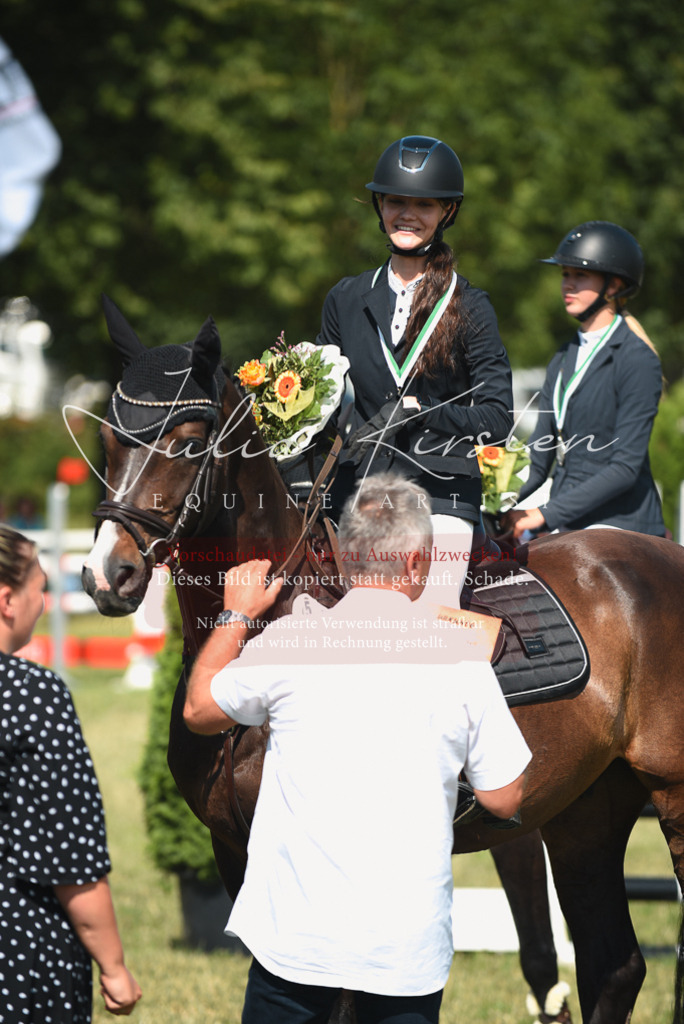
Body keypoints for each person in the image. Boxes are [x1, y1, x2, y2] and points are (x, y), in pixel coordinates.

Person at [184, 473, 531, 1024]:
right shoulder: (464, 658)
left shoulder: (288, 641)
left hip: (292, 944)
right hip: (405, 953)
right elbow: (504, 797)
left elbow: (199, 710)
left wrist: (236, 615)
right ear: (417, 562)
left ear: (346, 556)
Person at [317, 135, 514, 604]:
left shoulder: (471, 306)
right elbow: (324, 401)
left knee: (424, 626)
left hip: (441, 494)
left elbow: (497, 418)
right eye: (396, 201)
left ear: (447, 211)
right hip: (361, 491)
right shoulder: (344, 298)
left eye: (423, 204)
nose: (407, 214)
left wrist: (426, 410)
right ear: (379, 206)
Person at [0, 524, 141, 1021]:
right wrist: (114, 967)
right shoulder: (31, 695)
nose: (42, 604)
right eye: (39, 589)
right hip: (21, 954)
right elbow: (70, 860)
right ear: (6, 601)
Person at [502, 221, 666, 540]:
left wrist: (545, 514)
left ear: (613, 286)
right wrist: (497, 499)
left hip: (621, 522)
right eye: (565, 274)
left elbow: (625, 468)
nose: (568, 284)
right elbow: (539, 457)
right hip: (568, 517)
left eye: (580, 275)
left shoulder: (637, 359)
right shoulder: (563, 357)